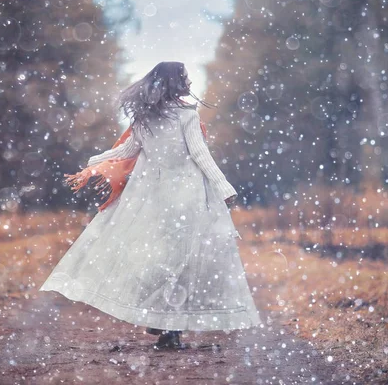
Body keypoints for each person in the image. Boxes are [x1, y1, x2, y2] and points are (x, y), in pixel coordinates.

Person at [39, 61, 261, 350]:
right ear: (175, 82)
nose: (190, 82)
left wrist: (94, 161)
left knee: (157, 256)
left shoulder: (146, 117)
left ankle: (163, 321)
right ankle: (168, 326)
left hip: (152, 196)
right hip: (184, 194)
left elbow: (126, 151)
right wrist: (224, 187)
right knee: (180, 260)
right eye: (185, 77)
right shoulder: (186, 116)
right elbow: (199, 154)